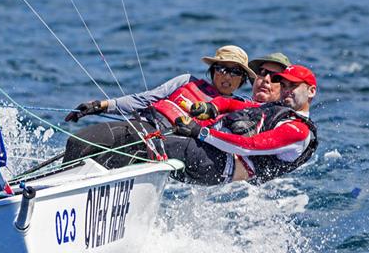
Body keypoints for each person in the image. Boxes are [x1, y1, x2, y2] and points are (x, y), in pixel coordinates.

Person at [63, 64, 318, 186]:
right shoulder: (273, 110)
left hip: (218, 165)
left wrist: (200, 131)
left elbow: (249, 146)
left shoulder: (298, 130)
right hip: (206, 154)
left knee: (139, 150)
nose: (286, 91)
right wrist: (211, 108)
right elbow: (233, 106)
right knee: (97, 144)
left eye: (293, 86)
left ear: (311, 92)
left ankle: (84, 191)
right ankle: (72, 184)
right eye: (283, 85)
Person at [64, 45, 256, 131]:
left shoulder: (238, 108)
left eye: (235, 72)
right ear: (213, 70)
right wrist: (99, 106)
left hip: (164, 147)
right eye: (222, 68)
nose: (227, 76)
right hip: (141, 126)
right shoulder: (186, 80)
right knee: (81, 139)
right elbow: (144, 99)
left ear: (243, 80)